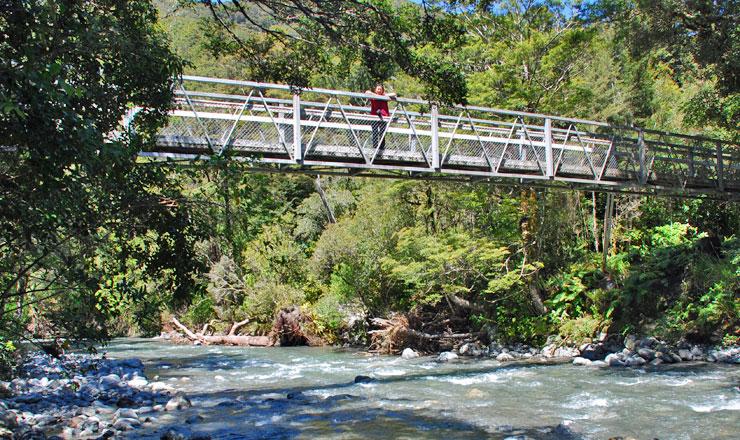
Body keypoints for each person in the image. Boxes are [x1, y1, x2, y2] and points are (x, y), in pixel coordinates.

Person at [365, 84, 396, 151]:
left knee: (382, 132)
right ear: (375, 90)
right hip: (374, 116)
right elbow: (367, 92)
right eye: (378, 89)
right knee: (375, 132)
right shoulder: (373, 97)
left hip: (383, 116)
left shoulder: (385, 97)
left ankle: (381, 148)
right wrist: (376, 95)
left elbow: (394, 94)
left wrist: (383, 96)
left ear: (382, 91)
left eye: (380, 89)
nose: (379, 90)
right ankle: (375, 147)